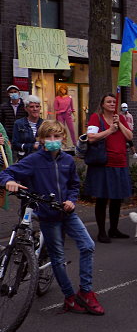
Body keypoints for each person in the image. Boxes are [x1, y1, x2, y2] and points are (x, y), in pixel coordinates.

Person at [0, 121, 104, 315]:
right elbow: (7, 173)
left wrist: (72, 201)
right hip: (48, 215)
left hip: (67, 213)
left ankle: (86, 292)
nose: (53, 141)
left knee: (88, 245)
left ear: (64, 138)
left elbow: (73, 185)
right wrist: (10, 182)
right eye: (48, 137)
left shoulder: (67, 161)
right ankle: (70, 298)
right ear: (41, 139)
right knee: (58, 257)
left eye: (57, 137)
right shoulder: (34, 160)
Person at [85, 94, 133, 243]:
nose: (112, 104)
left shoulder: (120, 118)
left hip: (120, 162)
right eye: (109, 102)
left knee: (117, 198)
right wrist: (110, 130)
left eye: (114, 102)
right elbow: (91, 137)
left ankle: (114, 229)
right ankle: (101, 231)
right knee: (102, 198)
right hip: (104, 163)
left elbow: (130, 137)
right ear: (103, 104)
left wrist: (120, 124)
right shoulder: (95, 117)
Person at [11, 95, 43, 161]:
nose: (35, 109)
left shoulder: (45, 124)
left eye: (37, 106)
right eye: (31, 107)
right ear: (25, 108)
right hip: (25, 159)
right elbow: (15, 144)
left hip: (42, 158)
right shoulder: (19, 123)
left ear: (40, 108)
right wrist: (32, 146)